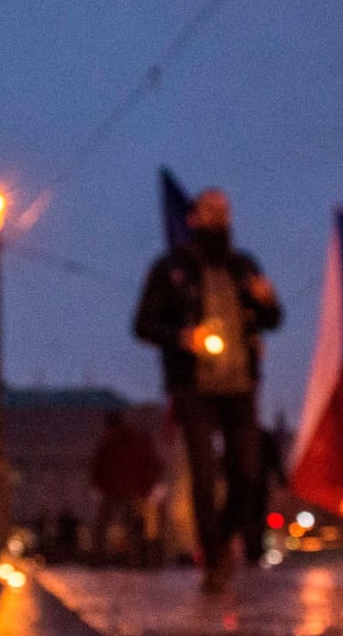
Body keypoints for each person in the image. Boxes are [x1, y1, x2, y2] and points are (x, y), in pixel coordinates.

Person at [131, 188, 283, 593]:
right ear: (194, 218)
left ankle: (231, 536)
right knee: (201, 471)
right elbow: (143, 324)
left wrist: (267, 301)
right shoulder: (170, 268)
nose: (220, 216)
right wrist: (183, 337)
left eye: (225, 210)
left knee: (247, 471)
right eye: (211, 209)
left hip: (240, 382)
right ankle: (213, 558)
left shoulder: (243, 265)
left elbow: (273, 318)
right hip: (192, 383)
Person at [89, 409, 165, 567]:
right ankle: (135, 560)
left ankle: (98, 559)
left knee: (103, 525)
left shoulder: (108, 441)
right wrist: (148, 486)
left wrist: (98, 486)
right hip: (136, 489)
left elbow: (98, 466)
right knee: (134, 526)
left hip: (112, 489)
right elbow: (153, 463)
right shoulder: (139, 439)